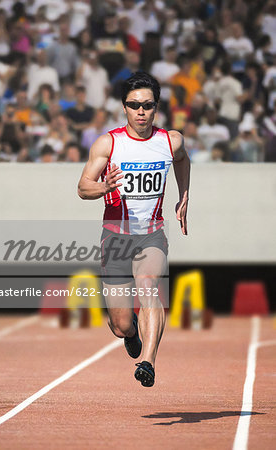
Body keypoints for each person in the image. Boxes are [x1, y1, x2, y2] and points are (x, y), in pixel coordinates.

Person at [78, 72, 190, 387]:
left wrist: (184, 196)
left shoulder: (170, 140)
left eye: (147, 106)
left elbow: (182, 161)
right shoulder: (109, 143)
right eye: (134, 105)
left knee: (148, 283)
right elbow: (83, 187)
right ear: (124, 108)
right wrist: (103, 188)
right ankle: (132, 331)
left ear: (156, 108)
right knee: (120, 324)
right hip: (115, 236)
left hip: (151, 234)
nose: (141, 112)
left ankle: (148, 362)